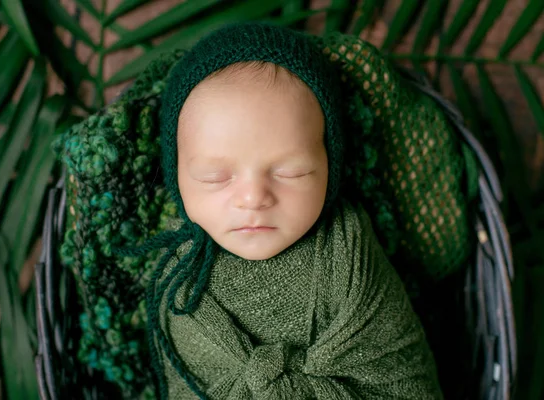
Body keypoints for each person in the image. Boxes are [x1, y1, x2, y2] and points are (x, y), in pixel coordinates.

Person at [116, 22, 444, 399]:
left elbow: (399, 370)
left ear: (330, 168)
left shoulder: (348, 250)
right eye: (215, 176)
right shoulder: (180, 278)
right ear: (178, 180)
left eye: (292, 172)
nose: (253, 198)